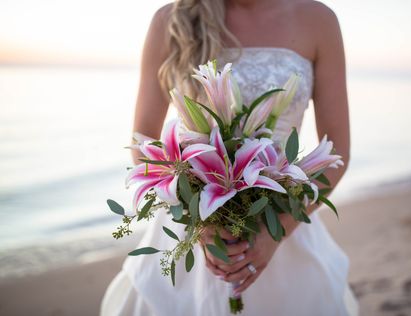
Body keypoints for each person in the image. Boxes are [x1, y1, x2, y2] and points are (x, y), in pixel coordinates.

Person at [101, 0, 358, 315]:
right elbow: (143, 144)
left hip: (282, 214)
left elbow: (337, 150)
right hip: (193, 222)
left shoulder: (318, 20)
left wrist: (278, 230)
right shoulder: (172, 20)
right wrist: (201, 225)